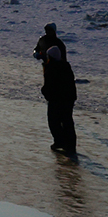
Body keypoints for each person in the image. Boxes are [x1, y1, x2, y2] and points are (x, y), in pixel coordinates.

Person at [34, 23, 77, 156]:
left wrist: (46, 93)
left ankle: (62, 143)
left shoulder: (54, 65)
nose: (48, 32)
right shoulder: (65, 67)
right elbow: (36, 49)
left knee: (56, 121)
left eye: (50, 30)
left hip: (58, 98)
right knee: (66, 121)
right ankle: (68, 145)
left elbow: (50, 85)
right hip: (67, 97)